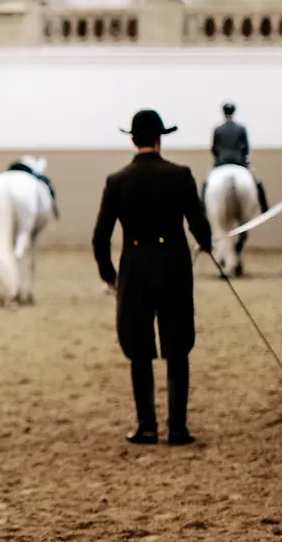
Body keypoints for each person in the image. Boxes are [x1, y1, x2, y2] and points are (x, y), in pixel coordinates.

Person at [93, 110, 213, 446]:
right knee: (177, 347)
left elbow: (100, 237)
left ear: (133, 140)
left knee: (140, 348)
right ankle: (177, 428)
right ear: (160, 139)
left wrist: (110, 277)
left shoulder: (117, 181)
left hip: (135, 267)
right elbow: (198, 225)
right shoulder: (180, 175)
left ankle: (146, 425)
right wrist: (207, 244)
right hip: (174, 266)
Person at [207, 101, 268, 210]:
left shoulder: (218, 129)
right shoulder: (241, 128)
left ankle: (203, 208)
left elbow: (214, 148)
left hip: (222, 162)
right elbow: (246, 148)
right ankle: (264, 207)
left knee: (206, 184)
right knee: (256, 183)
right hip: (239, 162)